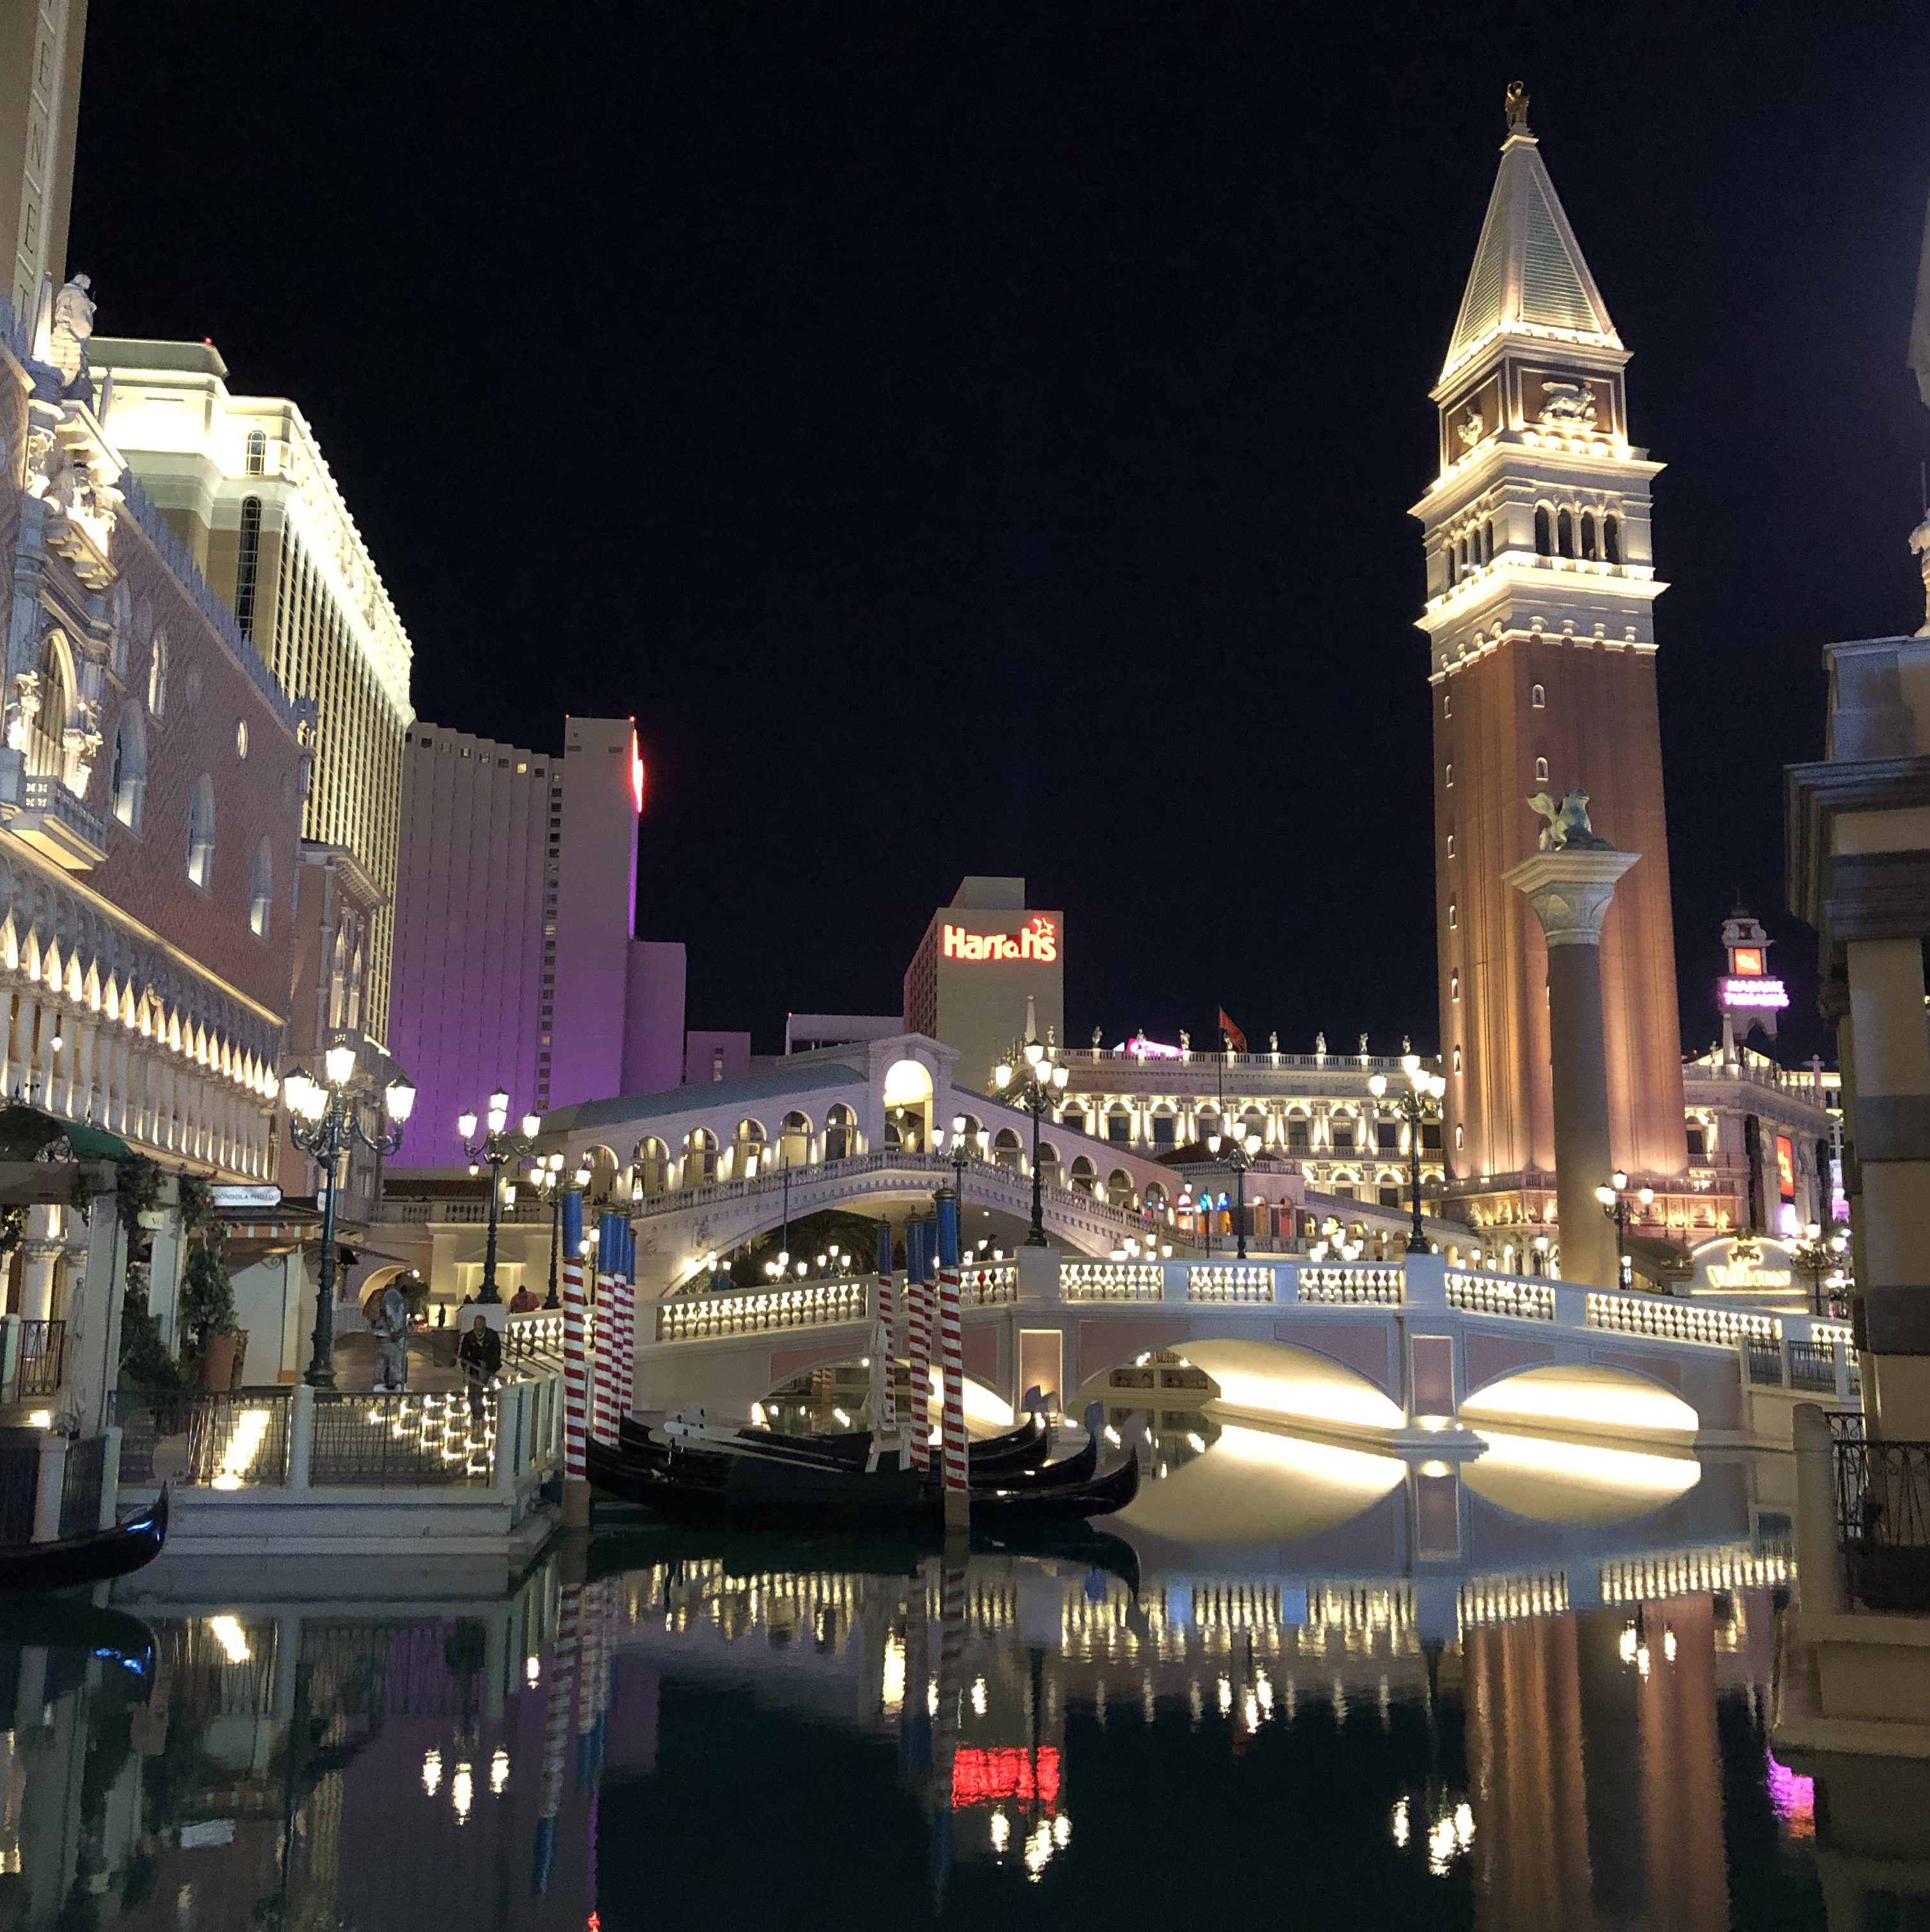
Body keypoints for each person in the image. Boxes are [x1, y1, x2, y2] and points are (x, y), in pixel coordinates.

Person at [457, 1314, 502, 1423]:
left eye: (480, 1324)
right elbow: (464, 1355)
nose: (477, 1327)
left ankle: (479, 1410)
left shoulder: (492, 1336)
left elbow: (496, 1354)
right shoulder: (469, 1337)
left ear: (485, 1324)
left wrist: (487, 1366)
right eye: (476, 1324)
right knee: (473, 1388)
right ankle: (477, 1410)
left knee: (478, 1387)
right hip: (475, 1367)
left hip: (489, 1368)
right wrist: (467, 1368)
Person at [372, 1283, 410, 1392]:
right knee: (396, 1358)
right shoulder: (393, 1295)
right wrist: (396, 1332)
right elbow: (391, 1315)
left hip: (382, 1333)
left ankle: (379, 1384)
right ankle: (398, 1384)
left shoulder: (388, 1294)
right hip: (390, 1334)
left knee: (383, 1359)